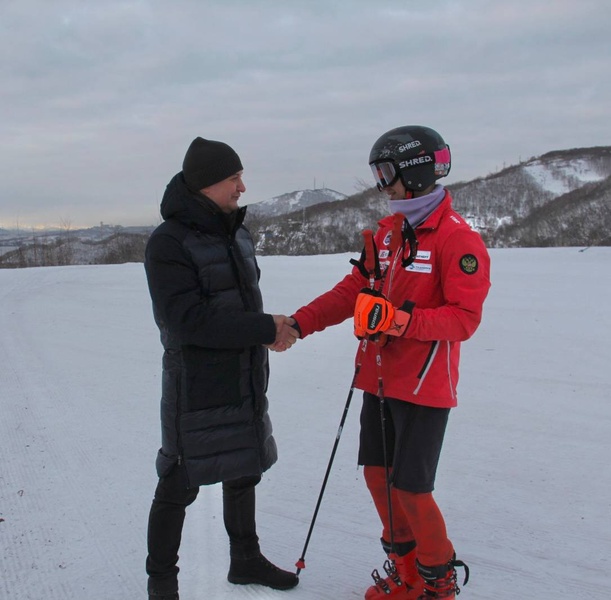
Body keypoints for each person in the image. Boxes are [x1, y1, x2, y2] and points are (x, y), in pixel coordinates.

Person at [290, 126, 491, 599]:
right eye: (377, 174)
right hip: (378, 378)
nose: (382, 185)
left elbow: (463, 319)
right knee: (378, 477)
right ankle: (407, 573)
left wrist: (400, 321)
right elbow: (350, 292)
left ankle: (437, 580)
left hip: (424, 386)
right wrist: (300, 323)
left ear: (416, 172)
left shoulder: (457, 241)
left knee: (412, 488)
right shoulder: (386, 234)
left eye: (386, 173)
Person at [143, 136, 300, 600]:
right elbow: (186, 320)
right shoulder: (169, 242)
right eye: (234, 178)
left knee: (244, 466)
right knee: (179, 479)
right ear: (208, 183)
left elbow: (241, 302)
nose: (242, 187)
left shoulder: (235, 232)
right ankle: (162, 584)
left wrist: (264, 334)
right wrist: (262, 327)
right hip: (196, 384)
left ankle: (245, 559)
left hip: (244, 372)